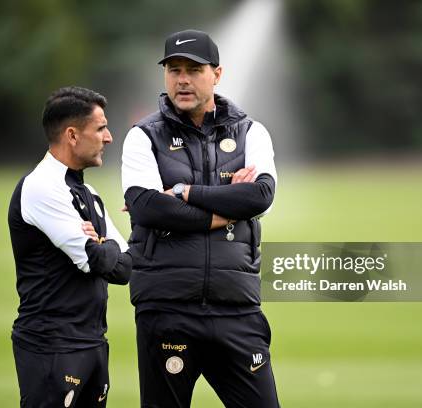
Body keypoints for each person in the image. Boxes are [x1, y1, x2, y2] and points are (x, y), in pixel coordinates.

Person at [122, 29, 280, 407]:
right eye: (174, 69)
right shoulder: (143, 136)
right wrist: (225, 211)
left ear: (217, 74)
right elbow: (146, 206)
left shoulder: (251, 132)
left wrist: (185, 193)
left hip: (237, 308)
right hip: (167, 308)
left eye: (194, 69)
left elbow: (260, 195)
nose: (182, 79)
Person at [8, 86, 131, 408]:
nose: (109, 138)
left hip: (91, 341)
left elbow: (125, 267)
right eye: (101, 128)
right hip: (52, 345)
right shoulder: (41, 187)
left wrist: (102, 245)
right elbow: (98, 262)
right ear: (73, 135)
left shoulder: (88, 194)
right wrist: (102, 247)